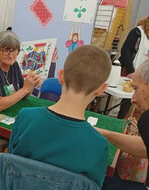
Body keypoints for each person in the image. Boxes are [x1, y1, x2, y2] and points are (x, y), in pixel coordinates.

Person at [8, 45, 112, 188]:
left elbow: (11, 164)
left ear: (61, 76)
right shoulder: (99, 145)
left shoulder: (25, 118)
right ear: (101, 89)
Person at [96, 60, 149, 189]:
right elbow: (144, 146)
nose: (133, 99)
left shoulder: (146, 120)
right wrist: (103, 133)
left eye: (136, 89)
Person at [117, 16, 149, 119]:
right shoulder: (137, 32)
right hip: (128, 70)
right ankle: (115, 118)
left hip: (144, 76)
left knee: (131, 102)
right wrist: (133, 72)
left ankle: (124, 120)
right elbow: (125, 52)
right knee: (120, 99)